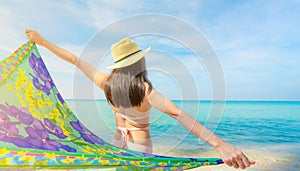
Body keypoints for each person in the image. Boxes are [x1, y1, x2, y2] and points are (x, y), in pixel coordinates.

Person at [25, 29, 255, 169]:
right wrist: (220, 144)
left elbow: (74, 59)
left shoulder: (106, 82)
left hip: (118, 142)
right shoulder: (145, 91)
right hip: (140, 145)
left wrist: (43, 42)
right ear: (140, 63)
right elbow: (177, 114)